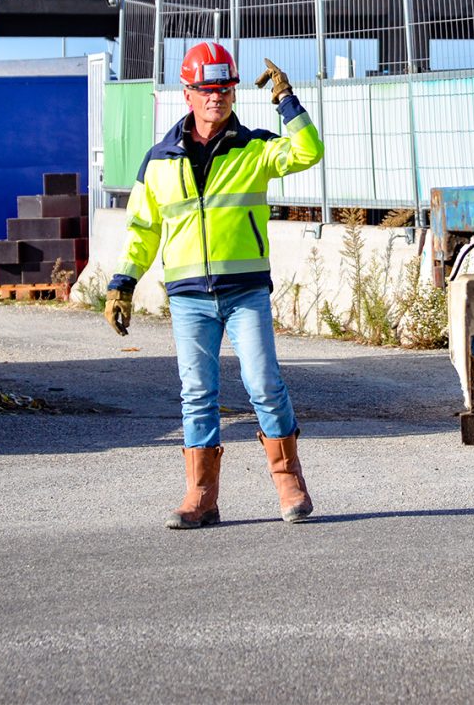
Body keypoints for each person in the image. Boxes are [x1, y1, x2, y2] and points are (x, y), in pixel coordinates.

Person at [103, 42, 323, 529]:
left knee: (264, 383)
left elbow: (310, 150)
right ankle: (201, 494)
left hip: (244, 291)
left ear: (233, 92)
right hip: (188, 297)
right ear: (188, 93)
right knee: (197, 393)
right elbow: (142, 229)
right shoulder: (158, 160)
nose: (215, 99)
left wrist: (287, 99)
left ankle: (290, 481)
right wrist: (123, 283)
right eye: (206, 90)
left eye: (223, 90)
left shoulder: (256, 148)